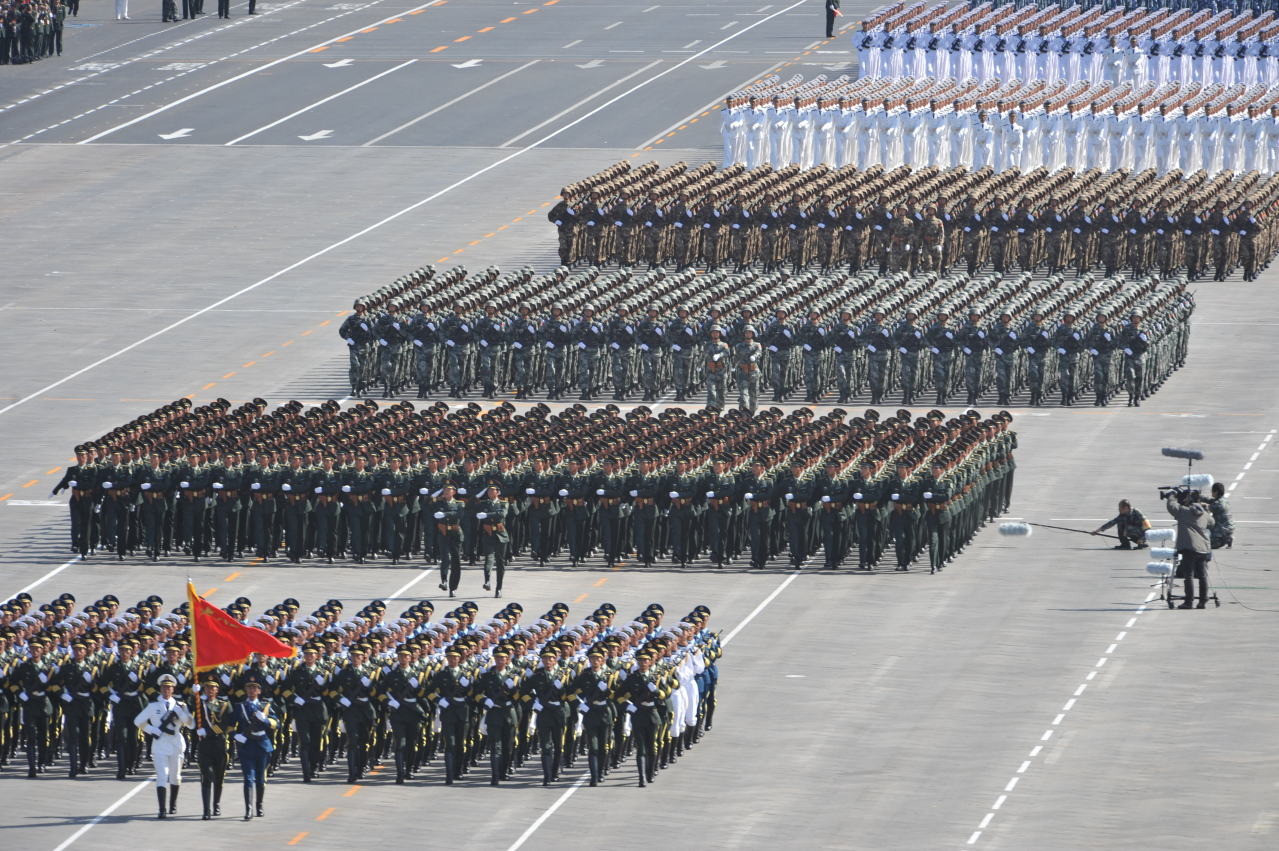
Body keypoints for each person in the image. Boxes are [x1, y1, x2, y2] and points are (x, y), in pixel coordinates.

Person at [134, 672, 193, 819]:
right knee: (162, 776)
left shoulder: (180, 705)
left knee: (175, 776)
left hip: (176, 742)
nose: (166, 690)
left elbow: (191, 725)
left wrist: (182, 714)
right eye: (164, 687)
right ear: (160, 689)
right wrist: (153, 730)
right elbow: (138, 721)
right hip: (160, 744)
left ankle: (173, 804)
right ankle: (162, 809)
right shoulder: (153, 706)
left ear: (173, 689)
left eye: (169, 687)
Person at [232, 678, 277, 820]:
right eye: (249, 688)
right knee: (248, 778)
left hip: (262, 745)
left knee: (260, 779)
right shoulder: (240, 706)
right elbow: (230, 725)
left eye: (254, 688)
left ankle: (259, 805)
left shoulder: (265, 706)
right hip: (247, 745)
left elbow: (277, 723)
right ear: (246, 690)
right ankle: (249, 809)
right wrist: (236, 736)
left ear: (259, 691)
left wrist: (265, 720)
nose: (252, 690)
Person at [1167, 489, 1214, 609]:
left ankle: (1189, 602)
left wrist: (1171, 496)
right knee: (1202, 575)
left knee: (1189, 575)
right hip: (1203, 549)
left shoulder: (1184, 511)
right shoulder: (1204, 514)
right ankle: (1203, 601)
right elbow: (1212, 522)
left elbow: (1172, 507)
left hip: (1189, 548)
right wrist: (1206, 510)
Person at [194, 678, 231, 819]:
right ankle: (206, 810)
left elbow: (226, 725)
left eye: (212, 688)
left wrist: (208, 731)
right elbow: (189, 712)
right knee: (206, 776)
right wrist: (194, 694)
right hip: (205, 746)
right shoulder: (199, 704)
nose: (210, 690)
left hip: (219, 745)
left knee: (219, 778)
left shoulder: (224, 705)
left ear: (217, 690)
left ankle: (216, 804)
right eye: (207, 688)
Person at [1207, 481, 1234, 550]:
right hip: (1229, 528)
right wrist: (1200, 497)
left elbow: (1206, 508)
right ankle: (1228, 538)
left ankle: (1223, 539)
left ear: (1216, 492)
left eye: (1212, 491)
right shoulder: (1224, 500)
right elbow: (1210, 500)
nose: (1211, 492)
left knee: (1207, 545)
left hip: (1222, 530)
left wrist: (1199, 503)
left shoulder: (1217, 504)